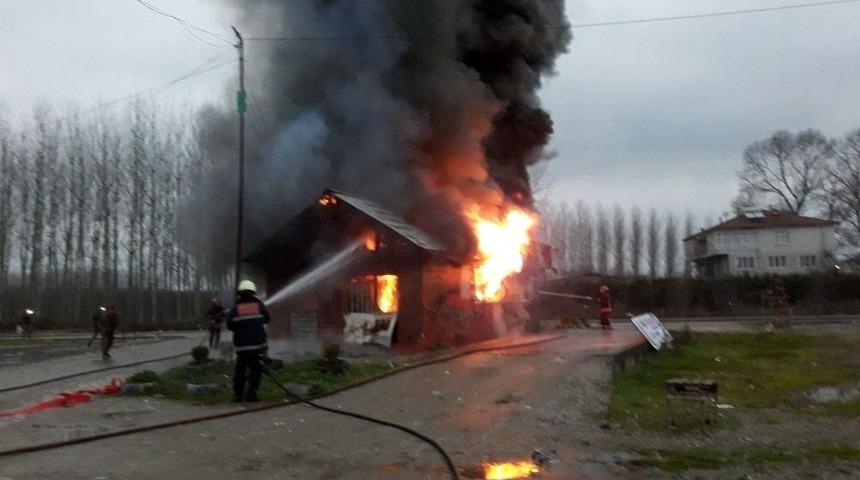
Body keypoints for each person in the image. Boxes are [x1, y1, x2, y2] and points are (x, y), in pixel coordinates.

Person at [226, 280, 270, 402]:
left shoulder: (236, 308)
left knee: (240, 371)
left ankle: (239, 396)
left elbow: (230, 325)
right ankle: (252, 395)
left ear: (240, 293)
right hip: (257, 347)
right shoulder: (259, 306)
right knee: (256, 372)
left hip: (242, 348)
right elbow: (267, 319)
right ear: (253, 292)